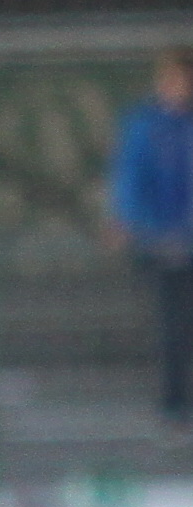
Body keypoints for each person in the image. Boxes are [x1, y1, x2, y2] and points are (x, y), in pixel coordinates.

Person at [108, 50, 193, 427]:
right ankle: (174, 403)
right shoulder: (144, 125)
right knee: (172, 323)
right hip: (158, 242)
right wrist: (132, 221)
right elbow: (129, 176)